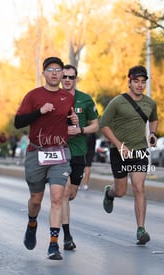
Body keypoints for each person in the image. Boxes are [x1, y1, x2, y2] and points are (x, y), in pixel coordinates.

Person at [14, 56, 78, 260]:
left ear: (62, 74)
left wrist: (73, 120)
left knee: (58, 197)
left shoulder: (67, 97)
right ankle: (32, 223)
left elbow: (64, 121)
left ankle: (53, 245)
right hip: (36, 152)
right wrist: (38, 112)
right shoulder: (33, 96)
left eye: (58, 70)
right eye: (50, 69)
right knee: (36, 199)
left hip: (59, 152)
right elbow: (18, 122)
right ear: (44, 73)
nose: (54, 73)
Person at [100, 65, 158, 245]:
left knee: (139, 187)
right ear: (129, 82)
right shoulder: (118, 102)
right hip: (119, 152)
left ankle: (141, 229)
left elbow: (154, 119)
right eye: (136, 81)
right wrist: (118, 145)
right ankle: (110, 193)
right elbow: (104, 125)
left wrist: (153, 134)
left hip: (139, 151)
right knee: (121, 191)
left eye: (143, 82)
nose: (140, 85)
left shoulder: (150, 103)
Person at [61, 64, 99, 251]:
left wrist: (80, 130)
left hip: (78, 152)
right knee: (65, 192)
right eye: (65, 77)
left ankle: (60, 208)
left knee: (71, 194)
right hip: (60, 151)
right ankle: (67, 236)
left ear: (76, 78)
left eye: (71, 77)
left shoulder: (85, 100)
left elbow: (96, 126)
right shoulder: (54, 98)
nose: (67, 80)